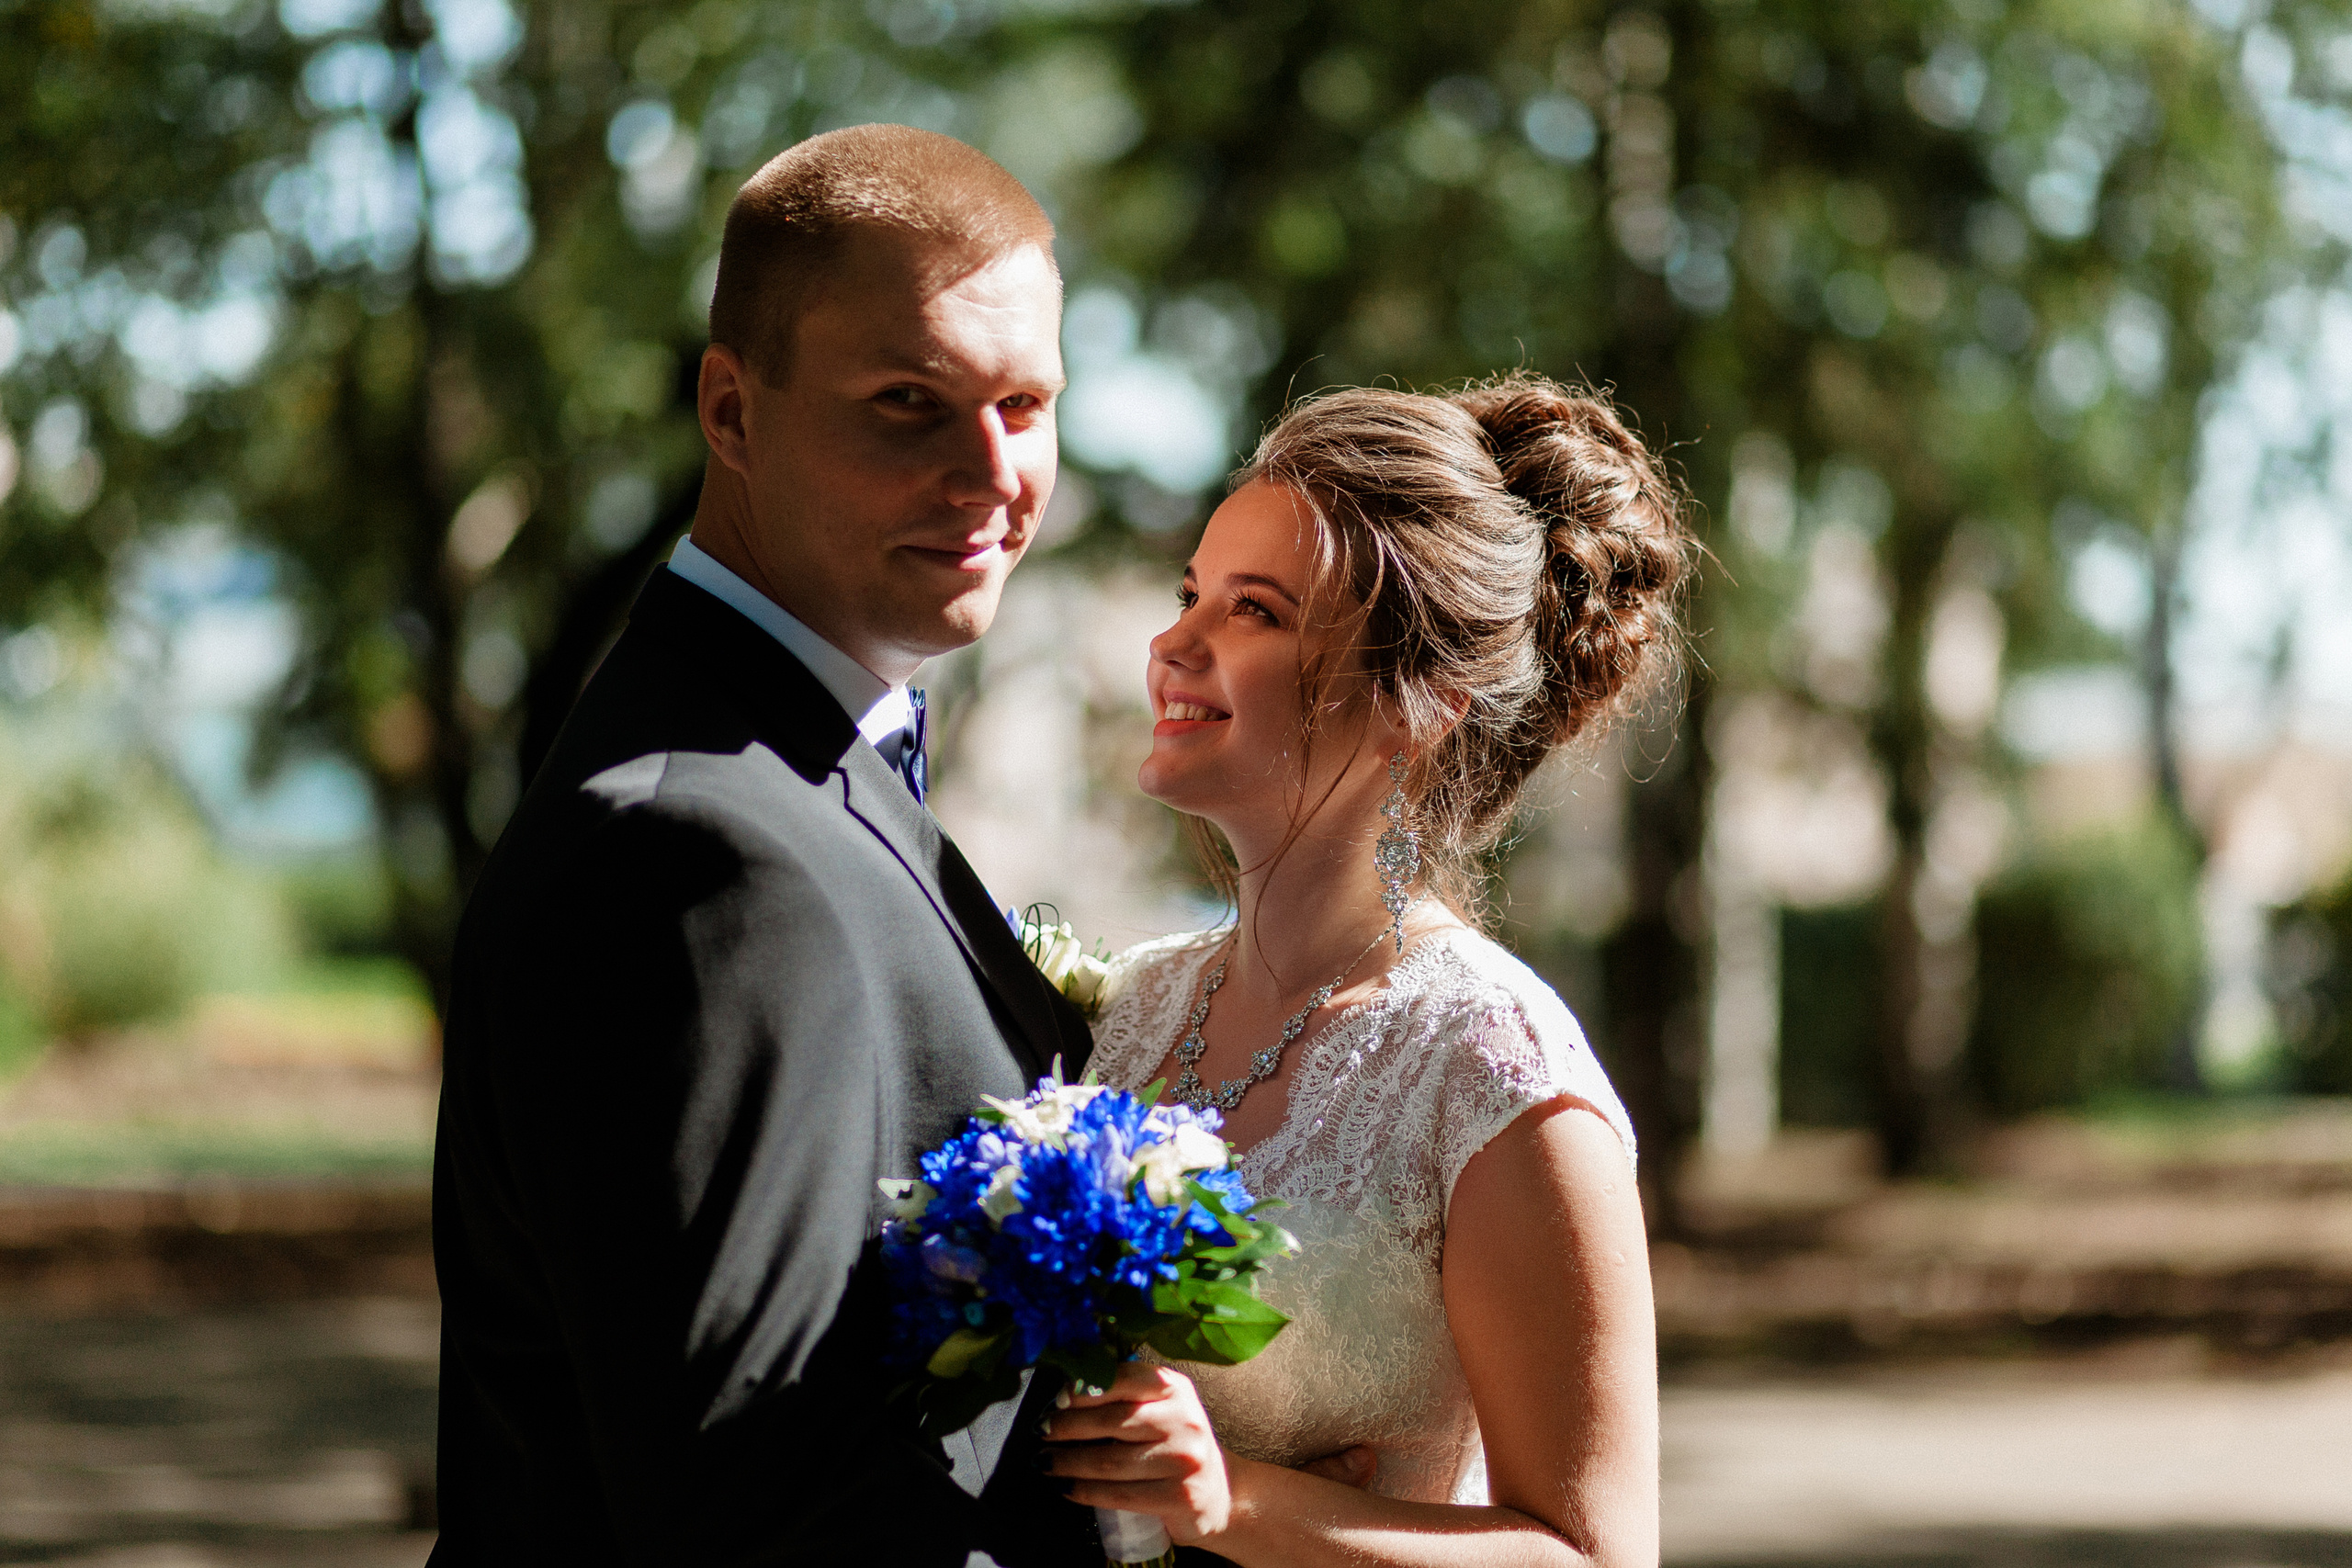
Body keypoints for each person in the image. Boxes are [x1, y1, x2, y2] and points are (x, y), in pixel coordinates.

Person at [429, 125, 1096, 1565]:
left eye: (1026, 404)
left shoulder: (791, 773)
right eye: (909, 403)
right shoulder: (697, 852)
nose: (991, 471)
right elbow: (754, 1515)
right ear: (731, 411)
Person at [1042, 375, 1694, 1567]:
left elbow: (1597, 1556)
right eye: (1190, 593)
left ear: (1422, 703)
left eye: (1255, 610)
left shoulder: (1492, 1064)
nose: (1172, 643)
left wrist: (1237, 1502)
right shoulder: (1129, 1010)